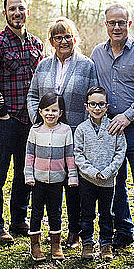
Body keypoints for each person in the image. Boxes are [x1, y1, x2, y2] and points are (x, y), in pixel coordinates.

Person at [91, 4, 134, 261]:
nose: (117, 27)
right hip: (110, 129)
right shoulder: (97, 53)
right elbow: (94, 89)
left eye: (121, 22)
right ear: (106, 24)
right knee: (114, 182)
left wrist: (128, 115)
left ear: (129, 24)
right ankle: (123, 229)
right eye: (112, 22)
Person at [27, 17, 97, 249]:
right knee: (51, 186)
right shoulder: (43, 65)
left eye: (68, 36)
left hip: (76, 136)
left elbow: (92, 100)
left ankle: (74, 232)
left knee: (74, 185)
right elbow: (33, 96)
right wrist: (39, 121)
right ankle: (53, 231)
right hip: (49, 138)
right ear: (51, 41)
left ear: (74, 39)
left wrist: (87, 133)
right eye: (58, 37)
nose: (64, 41)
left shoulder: (86, 65)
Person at [0, 0, 43, 245]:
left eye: (21, 9)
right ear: (5, 13)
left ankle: (19, 220)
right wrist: (2, 112)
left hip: (31, 121)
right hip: (5, 122)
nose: (17, 13)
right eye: (12, 9)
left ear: (27, 12)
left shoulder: (37, 44)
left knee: (24, 173)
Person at [74, 86, 127, 261]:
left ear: (107, 106)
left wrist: (108, 172)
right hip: (87, 180)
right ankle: (87, 242)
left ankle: (106, 244)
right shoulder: (81, 129)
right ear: (86, 106)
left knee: (107, 214)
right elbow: (78, 154)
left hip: (108, 181)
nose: (97, 108)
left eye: (101, 104)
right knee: (87, 212)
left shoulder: (114, 127)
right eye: (93, 104)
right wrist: (92, 172)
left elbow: (120, 152)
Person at [25, 92, 78, 261]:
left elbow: (70, 156)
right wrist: (29, 175)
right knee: (36, 212)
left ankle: (56, 244)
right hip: (38, 180)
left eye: (54, 110)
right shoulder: (35, 130)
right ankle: (35, 244)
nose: (50, 113)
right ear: (40, 111)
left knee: (55, 212)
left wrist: (72, 177)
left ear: (61, 113)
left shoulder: (66, 130)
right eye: (46, 109)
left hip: (57, 180)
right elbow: (29, 154)